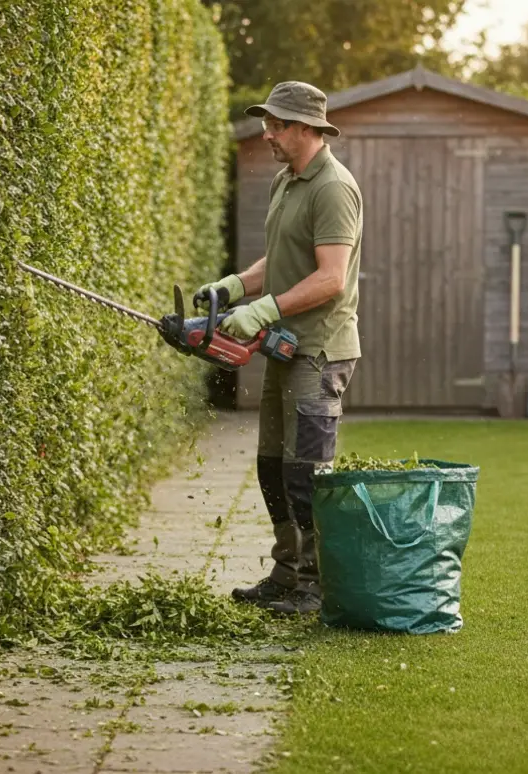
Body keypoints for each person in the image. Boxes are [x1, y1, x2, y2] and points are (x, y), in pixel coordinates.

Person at [196, 81, 363, 616]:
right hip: (284, 346)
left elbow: (331, 277)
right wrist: (235, 287)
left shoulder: (332, 187)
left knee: (305, 469)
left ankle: (315, 585)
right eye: (268, 122)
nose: (267, 133)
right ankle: (286, 573)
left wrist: (266, 310)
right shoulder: (286, 181)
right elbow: (280, 261)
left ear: (309, 129)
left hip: (318, 349)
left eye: (278, 124)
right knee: (272, 464)